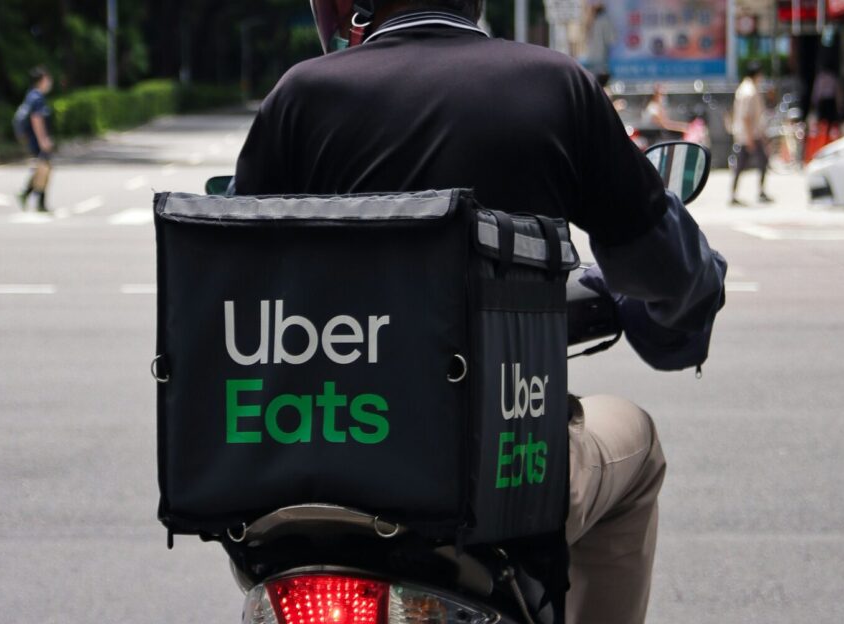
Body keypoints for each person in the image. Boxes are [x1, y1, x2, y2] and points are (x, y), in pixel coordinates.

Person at [235, 1, 727, 622]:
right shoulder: (556, 86)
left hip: (311, 477)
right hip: (501, 479)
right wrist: (696, 286)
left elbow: (233, 283)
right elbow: (666, 272)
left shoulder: (299, 96)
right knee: (639, 445)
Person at [14, 67, 55, 213]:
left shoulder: (31, 95)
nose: (49, 82)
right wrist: (43, 140)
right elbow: (36, 119)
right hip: (37, 140)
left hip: (34, 140)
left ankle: (30, 196)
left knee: (42, 169)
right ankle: (33, 198)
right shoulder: (37, 98)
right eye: (47, 79)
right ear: (41, 81)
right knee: (44, 169)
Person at [730, 62, 771, 205]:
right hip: (750, 134)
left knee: (742, 164)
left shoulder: (744, 88)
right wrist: (750, 138)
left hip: (746, 133)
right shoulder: (749, 91)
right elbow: (746, 116)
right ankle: (758, 192)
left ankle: (735, 193)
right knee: (759, 161)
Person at [581, 3, 616, 77]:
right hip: (600, 57)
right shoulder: (604, 20)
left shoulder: (590, 19)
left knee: (592, 75)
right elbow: (611, 39)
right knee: (599, 75)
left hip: (590, 56)